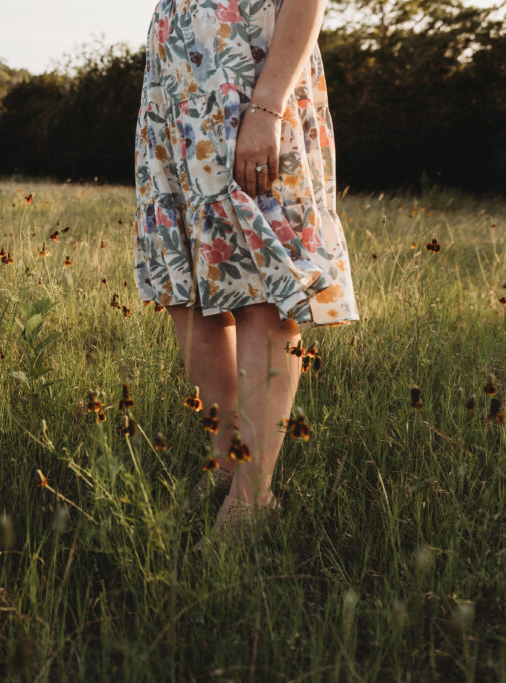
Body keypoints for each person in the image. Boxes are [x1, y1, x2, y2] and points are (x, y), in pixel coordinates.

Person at [133, 0, 358, 546]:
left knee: (263, 286)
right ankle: (227, 468)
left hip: (249, 79)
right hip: (176, 84)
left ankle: (253, 498)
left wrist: (267, 107)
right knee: (186, 290)